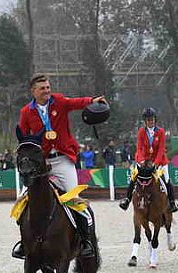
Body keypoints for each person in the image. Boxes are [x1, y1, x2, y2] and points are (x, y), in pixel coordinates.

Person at [12, 73, 107, 259]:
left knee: (73, 199)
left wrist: (92, 100)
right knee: (22, 201)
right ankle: (24, 243)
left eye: (48, 87)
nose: (47, 91)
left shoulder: (59, 101)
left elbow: (76, 103)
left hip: (63, 159)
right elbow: (24, 138)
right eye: (43, 88)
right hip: (42, 163)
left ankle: (85, 241)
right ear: (33, 91)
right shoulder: (26, 112)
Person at [119, 107, 178, 213]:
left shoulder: (160, 131)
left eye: (151, 119)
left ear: (154, 119)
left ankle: (172, 202)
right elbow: (139, 147)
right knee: (134, 176)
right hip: (144, 160)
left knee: (167, 179)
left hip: (159, 161)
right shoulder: (141, 131)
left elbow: (161, 149)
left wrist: (155, 163)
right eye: (148, 120)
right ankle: (127, 200)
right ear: (145, 121)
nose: (150, 122)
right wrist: (142, 161)